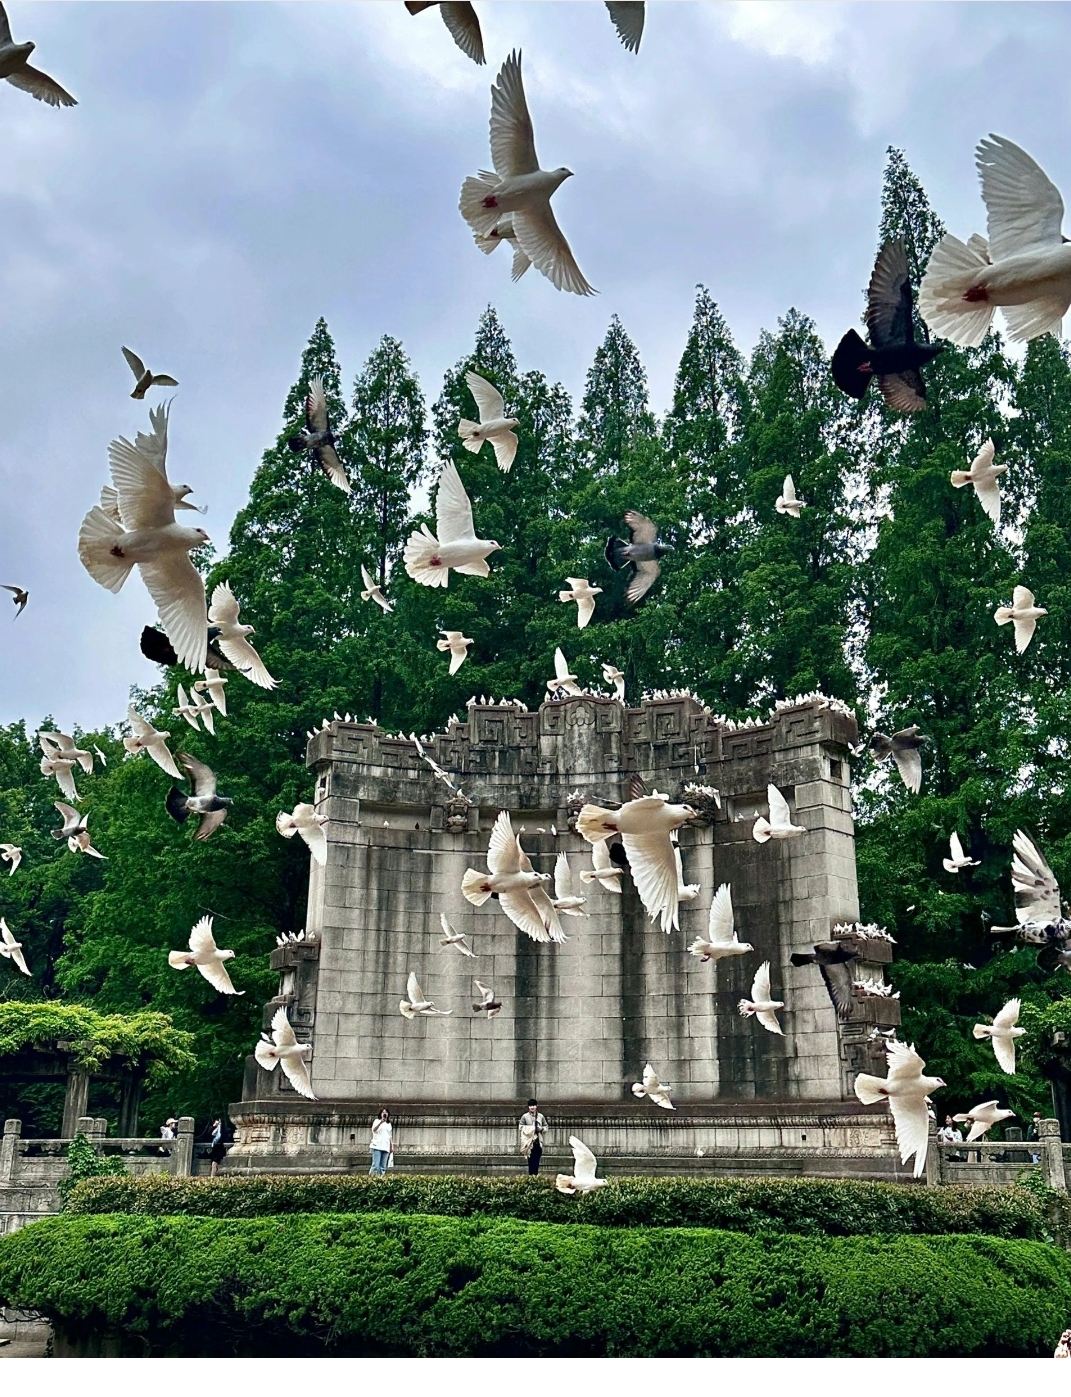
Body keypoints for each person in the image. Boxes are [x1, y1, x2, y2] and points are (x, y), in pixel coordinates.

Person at [518, 1099, 548, 1176]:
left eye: (534, 1105)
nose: (532, 1107)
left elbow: (546, 1127)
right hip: (529, 1143)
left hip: (538, 1142)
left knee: (537, 1162)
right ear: (528, 1107)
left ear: (536, 1106)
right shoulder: (525, 1116)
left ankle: (535, 1177)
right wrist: (531, 1128)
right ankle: (531, 1177)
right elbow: (520, 1127)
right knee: (530, 1162)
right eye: (531, 1106)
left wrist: (541, 1129)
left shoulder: (541, 1116)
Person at [369, 1108, 393, 1177]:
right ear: (380, 1114)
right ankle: (371, 1179)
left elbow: (390, 1136)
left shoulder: (389, 1124)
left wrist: (391, 1146)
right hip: (377, 1145)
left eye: (386, 1112)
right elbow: (374, 1129)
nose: (384, 1114)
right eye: (383, 1112)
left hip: (386, 1146)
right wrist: (381, 1122)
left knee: (383, 1166)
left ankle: (381, 1179)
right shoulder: (377, 1121)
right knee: (375, 1165)